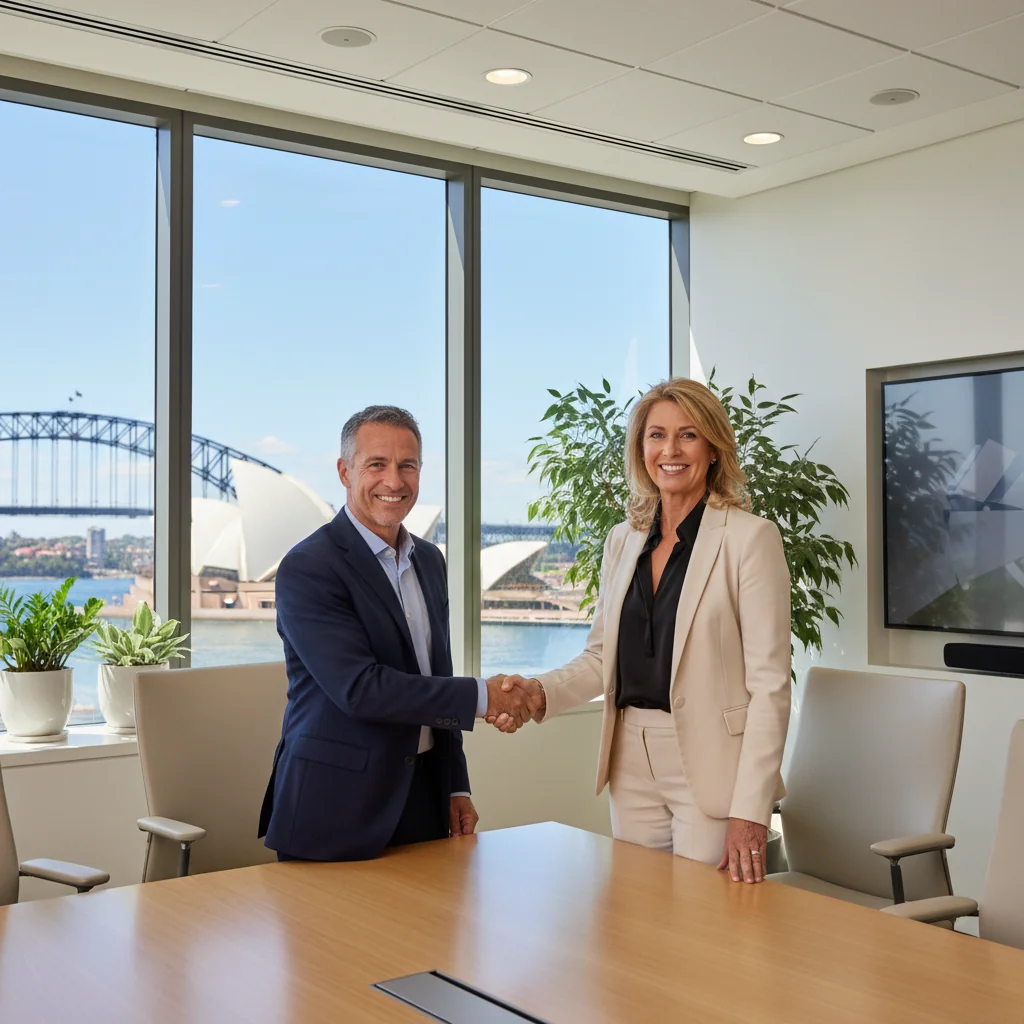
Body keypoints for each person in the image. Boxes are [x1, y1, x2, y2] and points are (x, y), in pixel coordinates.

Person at [493, 378, 791, 884]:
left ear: (714, 448)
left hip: (710, 761)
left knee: (708, 924)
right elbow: (601, 656)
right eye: (656, 435)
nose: (670, 451)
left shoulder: (749, 538)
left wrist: (752, 809)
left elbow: (770, 687)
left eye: (688, 435)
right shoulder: (622, 539)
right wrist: (539, 692)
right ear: (641, 448)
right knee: (637, 920)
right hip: (629, 756)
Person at [259, 405, 533, 861]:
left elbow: (434, 675)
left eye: (408, 466)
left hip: (423, 797)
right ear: (345, 472)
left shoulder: (429, 560)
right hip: (334, 809)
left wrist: (454, 785)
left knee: (432, 933)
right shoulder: (308, 568)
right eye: (376, 465)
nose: (394, 481)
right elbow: (361, 689)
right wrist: (486, 698)